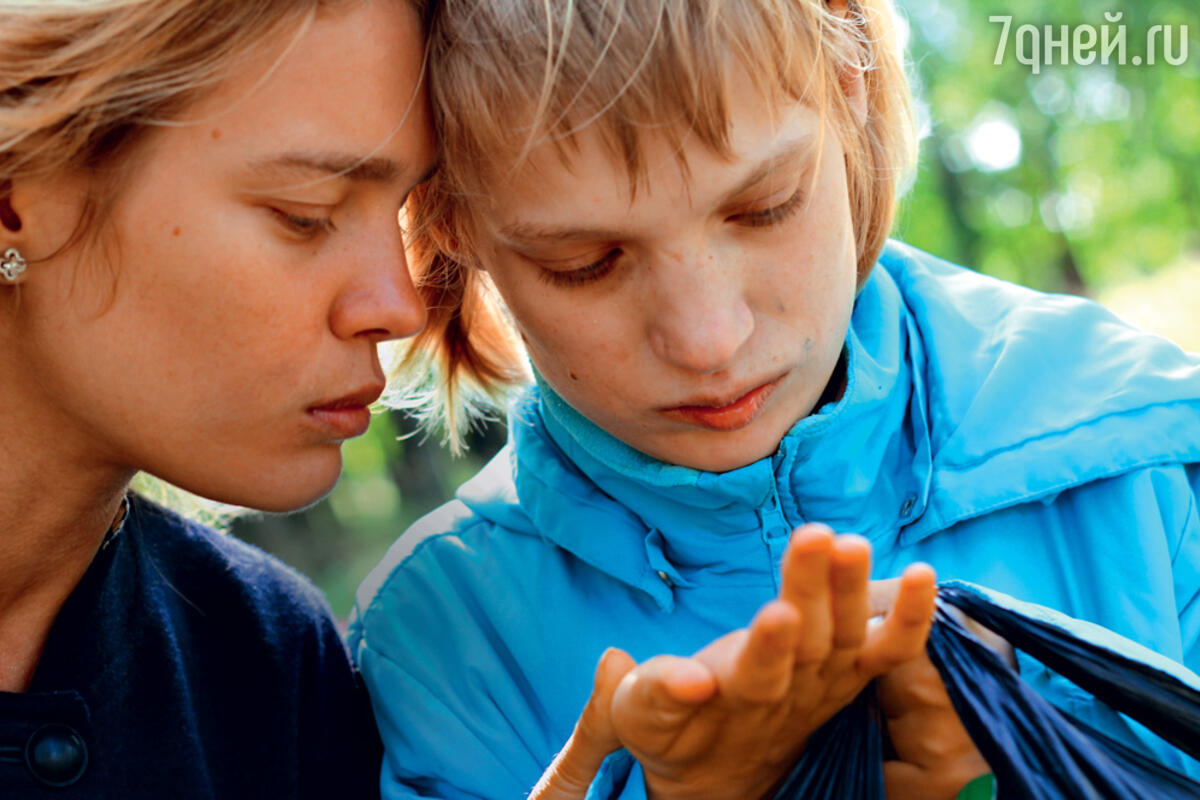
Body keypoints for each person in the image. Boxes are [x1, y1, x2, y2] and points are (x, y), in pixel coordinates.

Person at [349, 0, 1200, 797]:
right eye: (586, 263)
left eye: (763, 208)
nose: (708, 340)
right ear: (451, 224)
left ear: (849, 85)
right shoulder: (445, 641)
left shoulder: (1151, 460)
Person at [0, 0, 437, 796]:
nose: (399, 305)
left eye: (403, 215)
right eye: (306, 215)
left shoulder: (271, 658)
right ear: (13, 195)